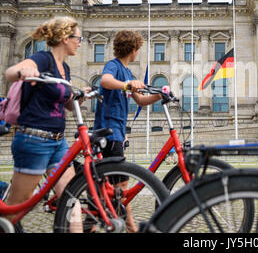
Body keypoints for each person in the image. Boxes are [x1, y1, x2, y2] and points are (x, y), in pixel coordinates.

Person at [3, 17, 86, 232]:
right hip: (34, 140)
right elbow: (11, 73)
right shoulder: (42, 58)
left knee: (72, 199)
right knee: (19, 206)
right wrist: (25, 71)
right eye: (78, 38)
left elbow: (66, 103)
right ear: (65, 38)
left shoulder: (64, 68)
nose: (80, 42)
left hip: (58, 143)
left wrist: (79, 97)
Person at [93, 30, 162, 232]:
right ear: (133, 49)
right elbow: (104, 81)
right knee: (121, 188)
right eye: (138, 49)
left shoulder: (128, 73)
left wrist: (159, 95)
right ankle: (131, 228)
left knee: (114, 188)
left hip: (117, 134)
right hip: (109, 133)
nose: (138, 53)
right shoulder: (113, 66)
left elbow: (140, 100)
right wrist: (126, 85)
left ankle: (100, 221)